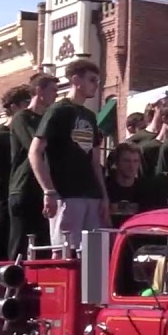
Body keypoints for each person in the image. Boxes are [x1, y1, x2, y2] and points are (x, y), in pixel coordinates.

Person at [28, 58, 110, 250]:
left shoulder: (90, 116)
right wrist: (48, 191)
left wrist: (104, 196)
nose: (96, 85)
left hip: (92, 195)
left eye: (97, 81)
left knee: (93, 254)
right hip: (65, 194)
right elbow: (34, 151)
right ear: (76, 80)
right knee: (64, 252)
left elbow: (95, 161)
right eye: (92, 80)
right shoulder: (58, 110)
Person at [8, 73, 59, 259]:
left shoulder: (49, 118)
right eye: (53, 90)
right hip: (23, 188)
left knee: (43, 243)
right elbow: (35, 147)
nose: (56, 95)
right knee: (20, 244)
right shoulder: (22, 117)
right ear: (39, 91)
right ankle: (12, 284)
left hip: (43, 191)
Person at [0, 85, 32, 261]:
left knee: (16, 244)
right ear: (13, 107)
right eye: (27, 102)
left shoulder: (23, 133)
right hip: (0, 201)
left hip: (16, 197)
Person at [105, 141, 149, 227]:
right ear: (117, 163)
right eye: (127, 161)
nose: (131, 166)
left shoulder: (144, 189)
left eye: (135, 161)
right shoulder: (105, 187)